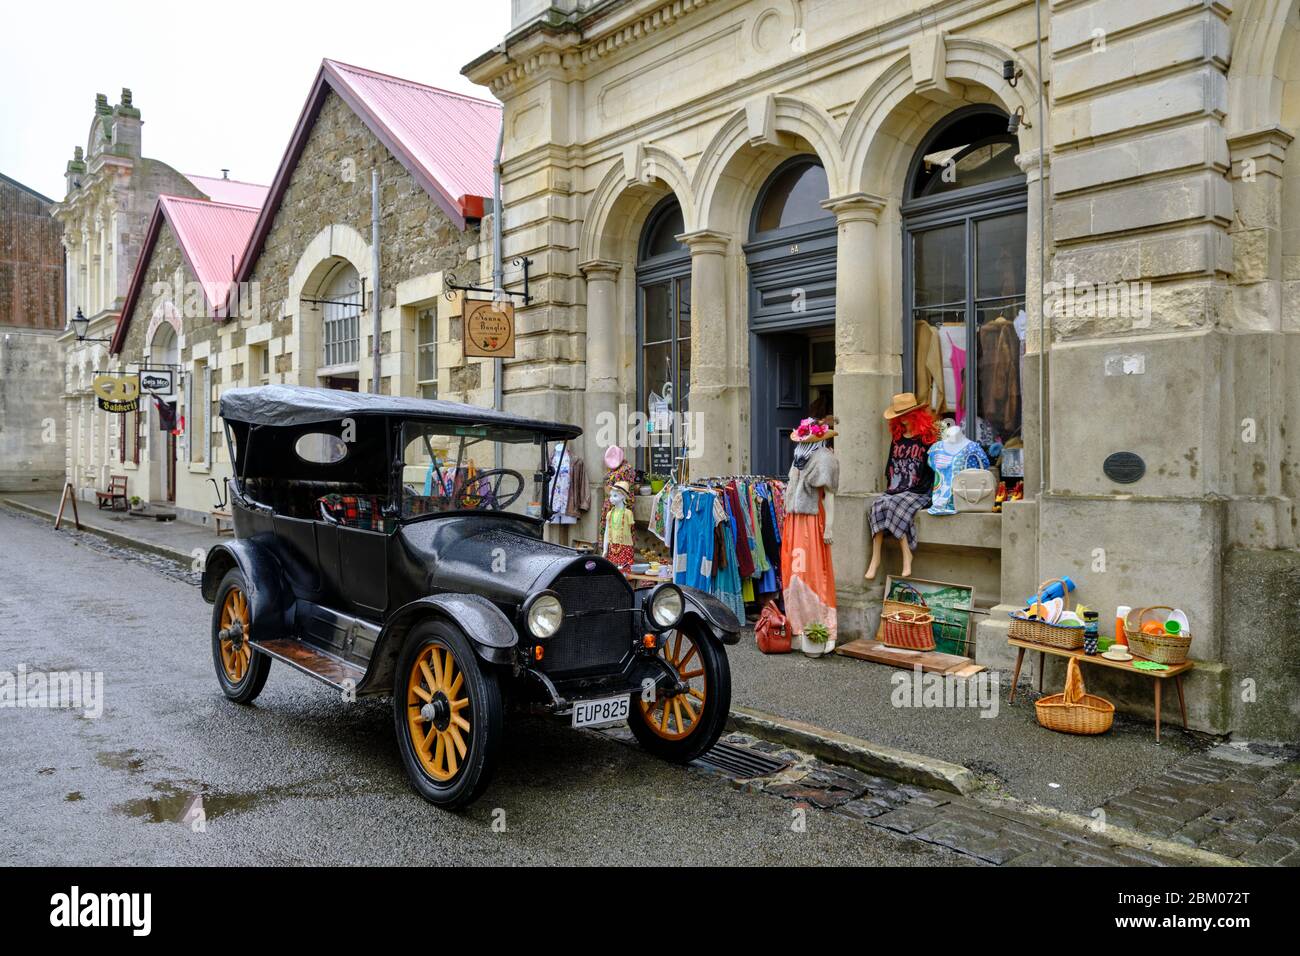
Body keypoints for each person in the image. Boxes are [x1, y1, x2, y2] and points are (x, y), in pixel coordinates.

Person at [866, 393, 939, 580]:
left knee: (895, 504)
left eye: (907, 414)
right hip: (898, 487)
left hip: (919, 489)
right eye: (900, 415)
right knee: (877, 505)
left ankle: (907, 555)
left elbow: (934, 468)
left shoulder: (927, 438)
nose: (903, 418)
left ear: (916, 415)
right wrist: (892, 487)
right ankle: (876, 559)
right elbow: (891, 465)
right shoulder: (898, 438)